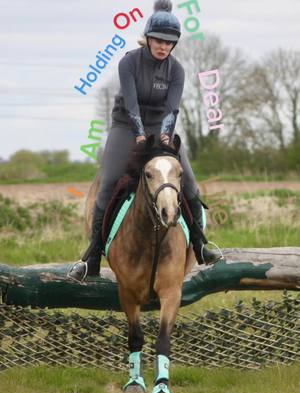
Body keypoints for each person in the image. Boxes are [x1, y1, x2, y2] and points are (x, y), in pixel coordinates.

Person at [68, 0, 222, 283]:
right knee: (110, 181)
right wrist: (139, 133)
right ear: (148, 38)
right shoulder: (129, 62)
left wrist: (165, 133)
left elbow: (172, 109)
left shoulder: (177, 71)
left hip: (161, 127)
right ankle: (91, 257)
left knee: (189, 183)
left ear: (174, 44)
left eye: (169, 42)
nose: (163, 46)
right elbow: (131, 105)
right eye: (159, 40)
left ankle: (200, 245)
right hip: (126, 126)